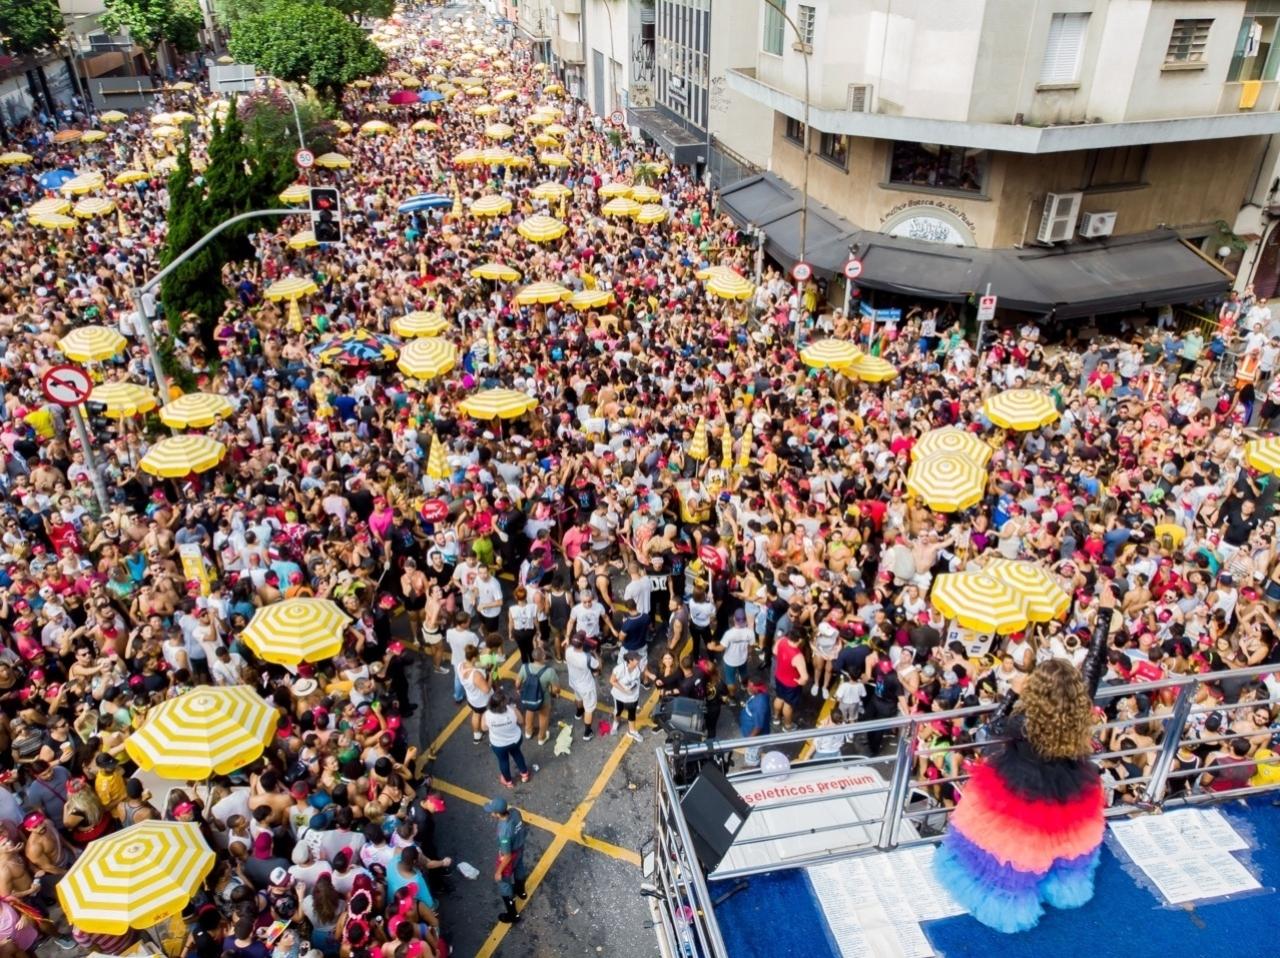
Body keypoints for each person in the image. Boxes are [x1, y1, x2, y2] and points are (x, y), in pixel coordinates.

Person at [933, 659, 1105, 932]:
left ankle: (1010, 906)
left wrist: (1012, 694)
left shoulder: (1022, 721)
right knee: (1062, 839)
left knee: (1015, 849)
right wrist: (1104, 620)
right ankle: (1059, 888)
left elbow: (990, 730)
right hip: (1067, 785)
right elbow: (1092, 672)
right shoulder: (1077, 715)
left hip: (1022, 787)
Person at [484, 798, 528, 925]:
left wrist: (498, 872)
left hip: (509, 856)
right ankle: (521, 891)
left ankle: (513, 915)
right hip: (519, 848)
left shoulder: (504, 831)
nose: (491, 813)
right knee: (519, 868)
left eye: (492, 811)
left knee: (504, 884)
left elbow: (507, 856)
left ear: (497, 814)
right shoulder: (515, 812)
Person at [481, 691, 531, 788]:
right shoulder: (512, 710)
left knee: (503, 761)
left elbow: (484, 728)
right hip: (515, 740)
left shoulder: (487, 715)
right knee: (517, 754)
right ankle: (524, 774)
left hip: (498, 744)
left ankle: (508, 782)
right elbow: (521, 721)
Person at [516, 646, 558, 746]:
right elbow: (556, 689)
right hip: (543, 699)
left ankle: (528, 732)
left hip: (529, 697)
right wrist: (553, 692)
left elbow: (517, 683)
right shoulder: (549, 671)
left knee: (529, 711)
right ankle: (541, 737)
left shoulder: (524, 667)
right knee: (543, 717)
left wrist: (518, 690)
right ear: (543, 657)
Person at [564, 632, 601, 741]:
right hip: (586, 686)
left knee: (578, 697)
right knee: (589, 708)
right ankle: (587, 732)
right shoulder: (587, 658)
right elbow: (599, 666)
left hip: (574, 682)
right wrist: (595, 653)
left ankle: (579, 712)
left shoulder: (568, 651)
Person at [608, 651, 645, 742]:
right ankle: (616, 722)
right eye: (636, 659)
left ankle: (632, 731)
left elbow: (644, 672)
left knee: (632, 712)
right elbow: (612, 681)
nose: (638, 660)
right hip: (620, 696)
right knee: (618, 711)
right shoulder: (619, 669)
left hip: (633, 696)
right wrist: (624, 690)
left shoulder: (639, 666)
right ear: (630, 661)